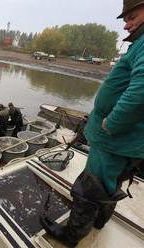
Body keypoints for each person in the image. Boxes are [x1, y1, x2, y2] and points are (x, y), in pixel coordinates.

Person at [40, 1, 144, 246]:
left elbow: (141, 91)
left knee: (91, 188)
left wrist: (111, 123)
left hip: (114, 140)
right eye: (126, 19)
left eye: (133, 16)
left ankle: (71, 235)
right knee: (111, 183)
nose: (127, 24)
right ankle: (99, 221)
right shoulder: (138, 43)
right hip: (123, 143)